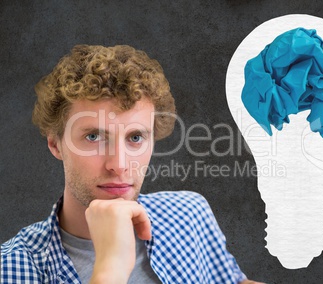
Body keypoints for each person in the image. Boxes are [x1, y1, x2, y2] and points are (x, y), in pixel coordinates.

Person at [1, 45, 262, 283]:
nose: (119, 165)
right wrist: (111, 266)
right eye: (93, 137)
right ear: (55, 144)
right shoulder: (11, 268)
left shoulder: (189, 212)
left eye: (135, 138)